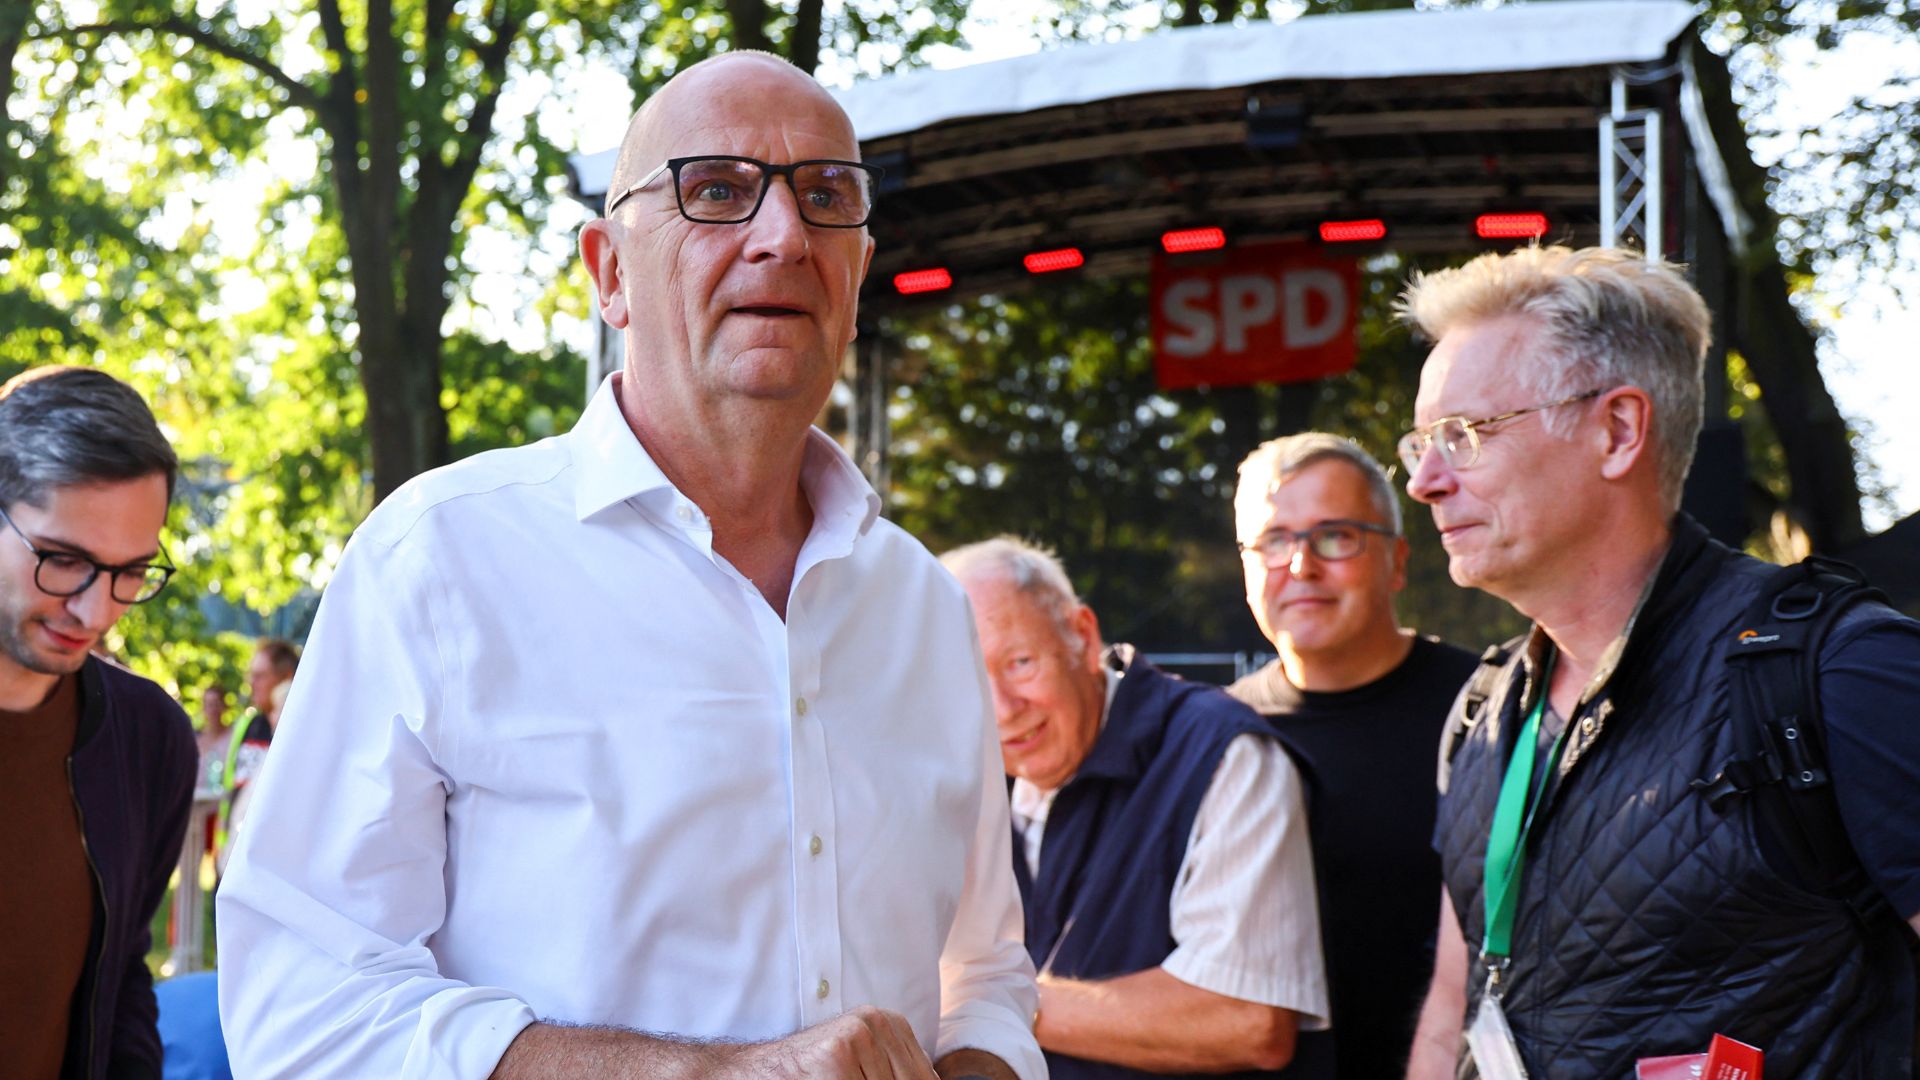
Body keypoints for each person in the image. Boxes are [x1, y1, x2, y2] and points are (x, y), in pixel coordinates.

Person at [217, 51, 1041, 1080]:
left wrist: (979, 1063)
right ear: (609, 272)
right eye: (717, 191)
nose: (783, 237)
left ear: (860, 273)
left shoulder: (920, 601)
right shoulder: (438, 562)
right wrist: (707, 1075)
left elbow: (985, 967)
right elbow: (306, 1008)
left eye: (827, 196)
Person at [1397, 246, 1920, 1077]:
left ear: (1618, 430)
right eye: (1420, 441)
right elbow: (1452, 1009)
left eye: (1464, 435)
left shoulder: (1841, 671)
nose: (1425, 480)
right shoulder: (1483, 708)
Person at [941, 536, 1329, 1079]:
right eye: (972, 683)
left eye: (1020, 663)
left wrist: (981, 1006)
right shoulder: (964, 779)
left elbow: (1247, 1017)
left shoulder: (1220, 753)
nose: (1002, 710)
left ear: (1082, 635)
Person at [1224, 434, 1478, 1080]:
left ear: (1396, 562)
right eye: (1274, 541)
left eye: (1334, 536)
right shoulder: (1212, 737)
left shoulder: (1487, 713)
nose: (1301, 566)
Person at [0, 366, 196, 1079]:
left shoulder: (149, 740)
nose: (97, 611)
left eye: (131, 572)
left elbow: (120, 990)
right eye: (63, 561)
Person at [212, 637, 295, 872]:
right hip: (234, 852)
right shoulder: (248, 723)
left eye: (260, 676)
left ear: (285, 678)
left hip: (272, 862)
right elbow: (233, 787)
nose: (251, 683)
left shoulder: (300, 730)